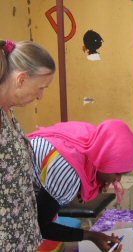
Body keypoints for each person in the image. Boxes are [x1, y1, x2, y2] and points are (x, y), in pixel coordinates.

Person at [27, 119, 133, 251]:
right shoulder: (68, 172)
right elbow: (42, 227)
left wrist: (96, 182)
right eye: (117, 172)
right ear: (105, 158)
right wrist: (92, 236)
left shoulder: (92, 139)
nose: (118, 178)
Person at [0, 40, 55, 251]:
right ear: (21, 79)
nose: (41, 96)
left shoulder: (8, 111)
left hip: (23, 235)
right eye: (41, 88)